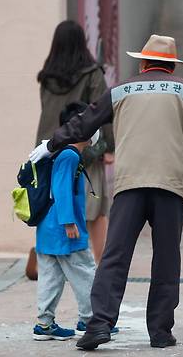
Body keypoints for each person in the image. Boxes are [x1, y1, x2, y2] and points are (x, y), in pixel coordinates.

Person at [29, 35, 183, 350]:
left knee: (115, 256)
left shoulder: (121, 90)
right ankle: (160, 332)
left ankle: (99, 324)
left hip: (130, 185)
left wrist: (52, 144)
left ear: (143, 63)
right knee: (166, 258)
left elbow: (84, 124)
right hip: (171, 186)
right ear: (171, 65)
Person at [27, 20, 115, 280]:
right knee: (96, 211)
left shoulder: (46, 77)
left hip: (47, 150)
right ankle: (101, 265)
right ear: (82, 43)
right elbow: (102, 112)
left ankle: (45, 259)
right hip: (83, 149)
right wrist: (107, 146)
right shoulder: (92, 75)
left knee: (49, 204)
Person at [32, 103, 119, 341]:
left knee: (51, 276)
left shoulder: (59, 152)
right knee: (85, 272)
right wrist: (69, 223)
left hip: (48, 229)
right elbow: (61, 190)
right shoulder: (69, 155)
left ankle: (44, 324)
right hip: (64, 229)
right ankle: (91, 320)